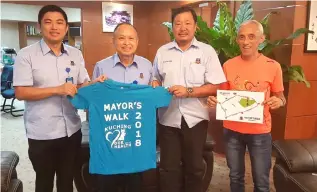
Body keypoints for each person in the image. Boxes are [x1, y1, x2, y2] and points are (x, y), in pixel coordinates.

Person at [13, 5, 105, 192]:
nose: (54, 27)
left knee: (67, 180)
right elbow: (21, 92)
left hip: (71, 129)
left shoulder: (75, 54)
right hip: (42, 132)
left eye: (59, 22)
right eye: (48, 22)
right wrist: (57, 89)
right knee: (44, 181)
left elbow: (80, 86)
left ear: (65, 28)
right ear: (40, 27)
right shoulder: (26, 55)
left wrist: (94, 84)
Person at [151, 7, 226, 192]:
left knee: (194, 168)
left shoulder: (207, 52)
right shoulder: (162, 52)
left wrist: (189, 91)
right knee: (169, 169)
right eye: (178, 23)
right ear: (172, 27)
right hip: (168, 118)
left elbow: (217, 86)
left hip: (195, 119)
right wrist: (155, 84)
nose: (182, 27)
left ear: (195, 27)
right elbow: (155, 78)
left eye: (187, 23)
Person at [207, 20, 286, 192]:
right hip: (232, 130)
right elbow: (223, 96)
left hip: (260, 132)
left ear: (261, 39)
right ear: (237, 40)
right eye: (241, 37)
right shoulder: (228, 65)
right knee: (235, 176)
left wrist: (278, 101)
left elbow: (281, 97)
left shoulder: (273, 67)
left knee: (261, 180)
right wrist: (214, 100)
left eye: (251, 37)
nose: (246, 42)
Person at [92, 22, 153, 192]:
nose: (127, 43)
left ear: (137, 41)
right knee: (108, 183)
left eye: (131, 38)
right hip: (110, 137)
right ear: (114, 41)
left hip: (137, 137)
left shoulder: (147, 66)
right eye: (121, 38)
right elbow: (93, 100)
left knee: (135, 182)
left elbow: (152, 94)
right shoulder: (101, 66)